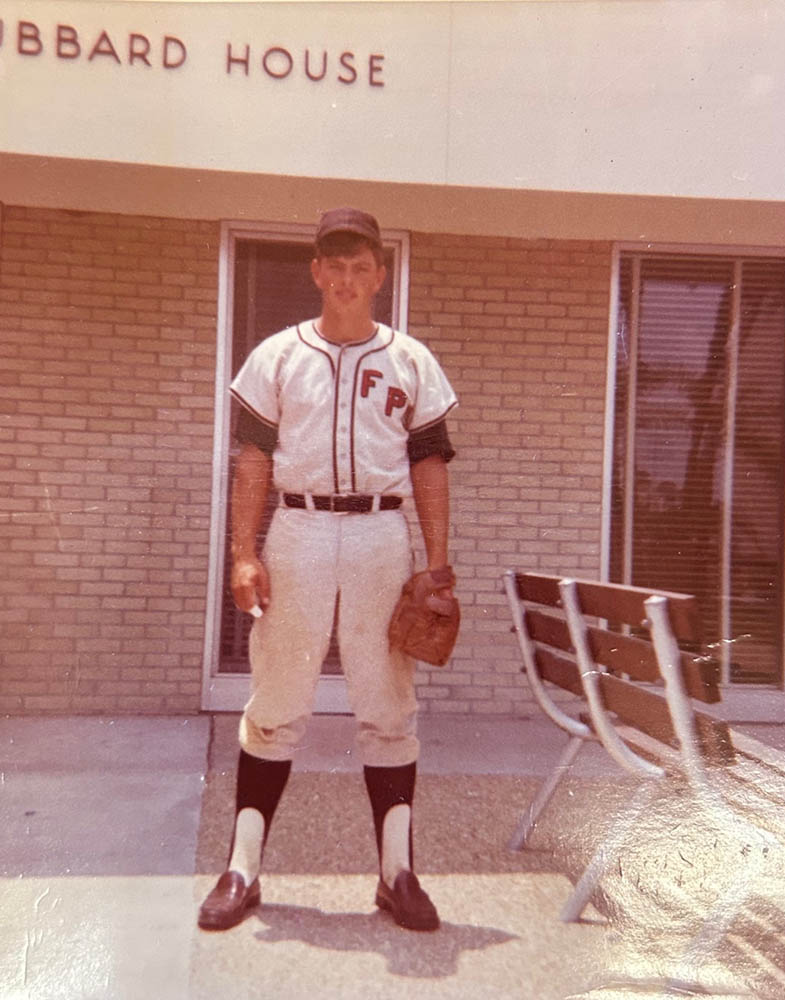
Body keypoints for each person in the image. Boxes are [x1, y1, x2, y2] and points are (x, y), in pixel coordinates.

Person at [198, 207, 458, 933]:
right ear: (315, 272)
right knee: (278, 698)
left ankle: (397, 872)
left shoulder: (410, 359)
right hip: (300, 528)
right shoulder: (279, 355)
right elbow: (252, 460)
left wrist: (435, 566)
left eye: (359, 266)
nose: (346, 279)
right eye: (332, 265)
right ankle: (242, 867)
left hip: (381, 533)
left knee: (387, 703)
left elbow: (430, 463)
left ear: (380, 274)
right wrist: (245, 553)